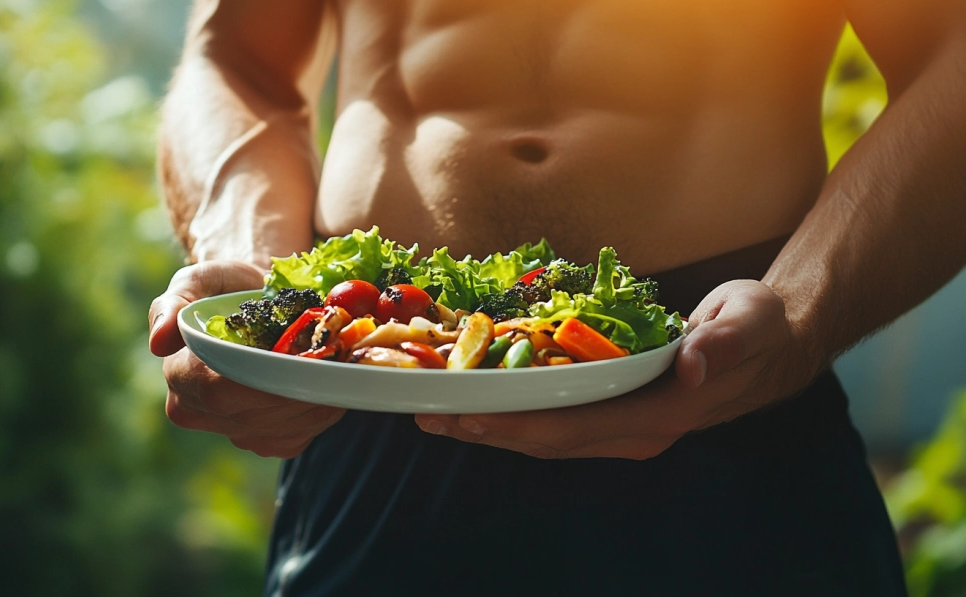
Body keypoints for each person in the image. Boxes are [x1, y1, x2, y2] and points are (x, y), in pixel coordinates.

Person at [148, 0, 966, 594]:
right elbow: (234, 54)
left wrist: (798, 310)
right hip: (369, 379)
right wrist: (251, 276)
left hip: (724, 388)